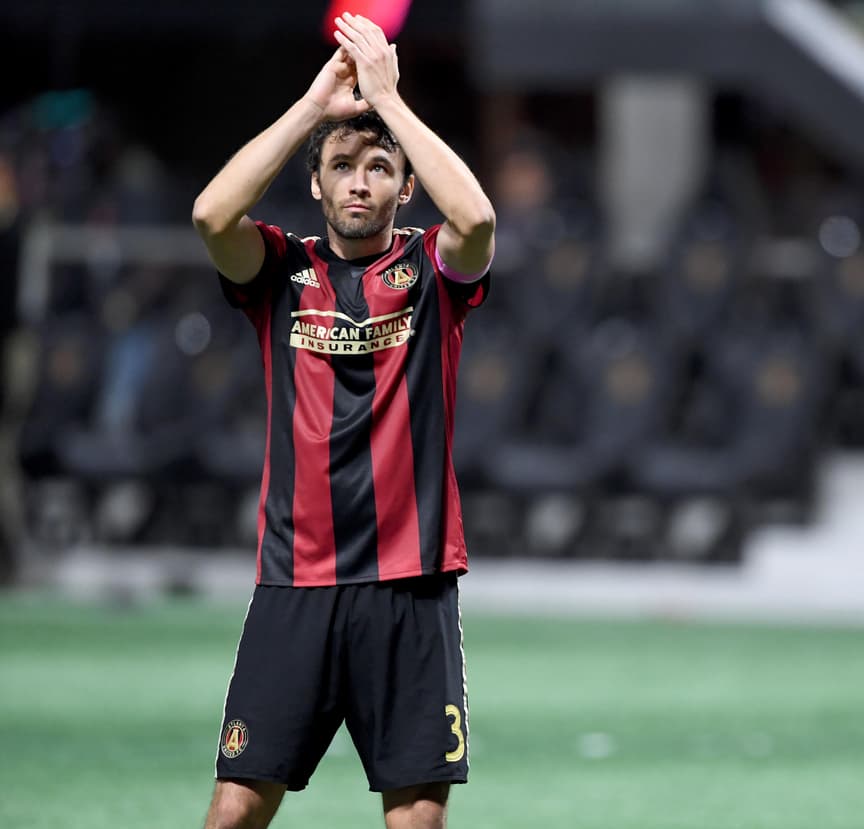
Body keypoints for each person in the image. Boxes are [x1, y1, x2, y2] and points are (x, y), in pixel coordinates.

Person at [190, 14, 495, 829]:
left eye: (378, 169)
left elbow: (480, 223)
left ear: (403, 187)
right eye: (342, 166)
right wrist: (312, 107)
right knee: (233, 813)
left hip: (412, 585)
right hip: (297, 585)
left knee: (416, 823)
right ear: (316, 185)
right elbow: (211, 216)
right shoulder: (281, 270)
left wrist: (390, 105)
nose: (360, 181)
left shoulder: (432, 269)